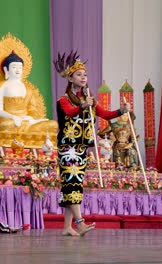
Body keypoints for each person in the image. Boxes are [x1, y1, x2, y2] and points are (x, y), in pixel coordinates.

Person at [54, 52, 130, 236]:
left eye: (85, 75)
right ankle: (79, 223)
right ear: (71, 78)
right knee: (72, 184)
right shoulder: (63, 100)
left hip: (80, 149)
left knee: (73, 186)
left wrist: (121, 110)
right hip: (68, 148)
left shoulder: (90, 100)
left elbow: (105, 114)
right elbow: (70, 113)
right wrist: (82, 106)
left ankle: (66, 228)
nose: (83, 77)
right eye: (79, 74)